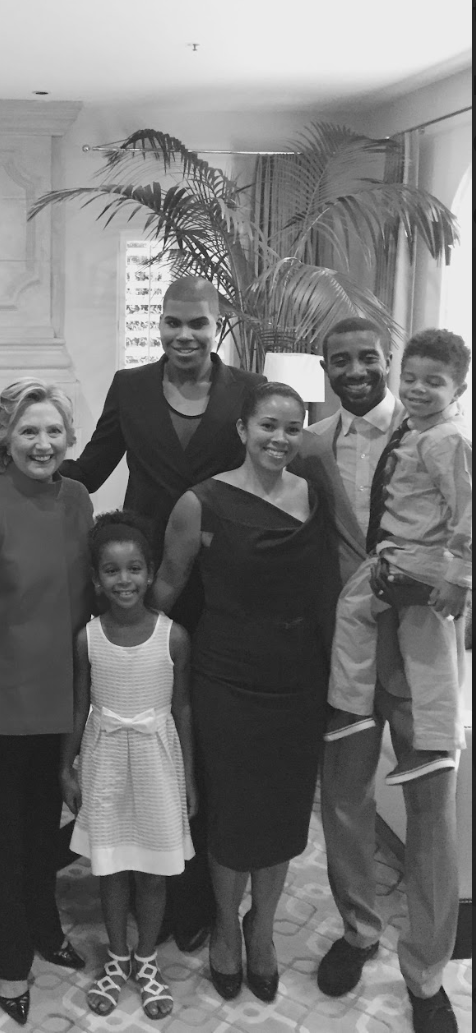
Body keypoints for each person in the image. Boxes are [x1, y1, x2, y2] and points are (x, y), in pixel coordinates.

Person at [60, 275, 265, 950]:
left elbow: (266, 474)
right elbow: (90, 468)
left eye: (198, 324)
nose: (185, 335)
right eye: (173, 322)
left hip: (219, 585)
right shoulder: (129, 387)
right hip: (142, 589)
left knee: (197, 734)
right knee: (134, 732)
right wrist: (7, 466)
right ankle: (127, 860)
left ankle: (194, 902)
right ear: (159, 324)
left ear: (219, 324)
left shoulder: (246, 393)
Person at [302, 318, 467, 1033]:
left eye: (370, 357)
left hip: (425, 647)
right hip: (354, 647)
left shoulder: (438, 434)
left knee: (432, 816)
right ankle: (359, 929)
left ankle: (426, 973)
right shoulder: (309, 444)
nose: (358, 370)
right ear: (327, 369)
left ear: (389, 360)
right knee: (342, 799)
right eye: (342, 361)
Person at [152, 382, 331, 1004]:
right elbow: (167, 586)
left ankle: (264, 931)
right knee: (231, 815)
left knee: (281, 817)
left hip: (298, 683)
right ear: (242, 430)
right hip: (226, 680)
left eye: (292, 427)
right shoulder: (201, 503)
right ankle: (227, 926)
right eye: (268, 426)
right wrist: (128, 662)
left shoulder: (314, 495)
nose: (280, 438)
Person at [0, 378, 93, 1026]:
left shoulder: (79, 501)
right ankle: (6, 954)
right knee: (1, 837)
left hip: (58, 699)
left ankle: (42, 923)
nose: (42, 443)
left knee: (41, 832)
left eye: (53, 430)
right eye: (29, 431)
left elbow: (84, 601)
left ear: (69, 438)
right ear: (4, 438)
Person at [61, 511, 196, 1022]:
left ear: (150, 571)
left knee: (154, 872)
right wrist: (65, 768)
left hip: (159, 764)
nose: (125, 580)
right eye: (112, 571)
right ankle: (117, 956)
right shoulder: (87, 638)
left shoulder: (174, 637)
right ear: (97, 579)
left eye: (135, 569)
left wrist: (190, 779)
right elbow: (78, 708)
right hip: (105, 762)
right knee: (112, 867)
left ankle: (147, 959)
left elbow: (182, 708)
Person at [325, 329, 471, 783]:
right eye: (412, 379)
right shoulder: (411, 432)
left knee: (428, 654)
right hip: (395, 558)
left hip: (422, 561)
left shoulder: (445, 439)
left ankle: (434, 742)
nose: (419, 390)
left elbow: (466, 509)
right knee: (357, 612)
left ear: (459, 390)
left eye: (434, 382)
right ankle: (353, 709)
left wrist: (460, 577)